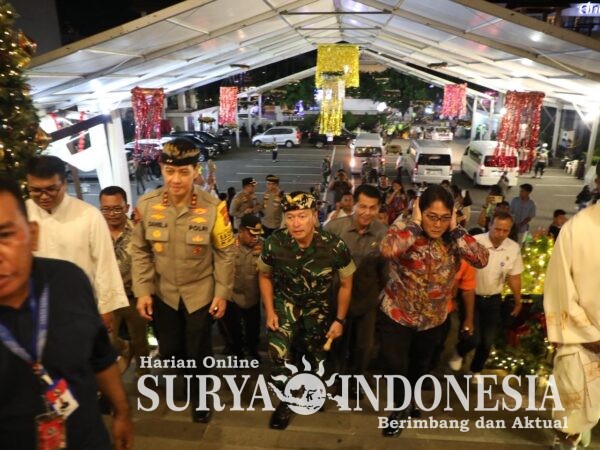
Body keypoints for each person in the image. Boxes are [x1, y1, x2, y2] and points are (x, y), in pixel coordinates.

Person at [0, 177, 134, 450]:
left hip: (88, 438)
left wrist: (122, 412)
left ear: (32, 234)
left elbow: (100, 356)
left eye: (4, 235)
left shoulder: (68, 280)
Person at [131, 138, 236, 424]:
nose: (176, 180)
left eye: (183, 172)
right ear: (162, 170)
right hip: (163, 293)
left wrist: (222, 293)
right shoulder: (147, 205)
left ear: (195, 171)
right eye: (170, 172)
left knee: (199, 350)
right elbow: (140, 250)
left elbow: (226, 253)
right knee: (171, 350)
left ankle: (200, 397)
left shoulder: (213, 207)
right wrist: (143, 291)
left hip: (199, 293)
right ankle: (185, 378)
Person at [378, 185, 488, 437]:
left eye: (444, 217)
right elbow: (387, 249)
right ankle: (400, 405)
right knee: (394, 364)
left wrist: (456, 228)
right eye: (432, 216)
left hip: (432, 319)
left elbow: (481, 259)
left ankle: (408, 401)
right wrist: (416, 224)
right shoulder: (405, 225)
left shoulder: (455, 236)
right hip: (397, 313)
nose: (437, 224)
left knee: (420, 365)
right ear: (420, 210)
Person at [258, 192, 356, 430]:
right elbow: (264, 275)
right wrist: (270, 311)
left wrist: (339, 320)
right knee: (278, 353)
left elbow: (346, 284)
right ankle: (287, 401)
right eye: (290, 217)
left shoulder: (334, 246)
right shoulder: (274, 243)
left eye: (302, 216)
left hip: (318, 308)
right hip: (285, 303)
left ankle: (314, 390)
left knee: (316, 356)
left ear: (314, 216)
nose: (296, 223)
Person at [25, 156, 128, 331]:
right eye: (35, 190)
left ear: (64, 184)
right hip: (34, 307)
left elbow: (104, 264)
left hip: (80, 306)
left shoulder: (89, 215)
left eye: (51, 189)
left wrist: (106, 308)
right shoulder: (22, 213)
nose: (43, 196)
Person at [544, 176, 600, 449]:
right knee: (570, 413)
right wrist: (591, 336)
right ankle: (569, 437)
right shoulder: (577, 229)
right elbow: (560, 288)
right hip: (583, 341)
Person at [324, 185, 387, 390]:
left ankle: (356, 381)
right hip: (336, 300)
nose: (367, 212)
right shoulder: (334, 229)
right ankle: (336, 378)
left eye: (372, 208)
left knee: (364, 347)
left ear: (378, 208)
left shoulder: (383, 234)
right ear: (354, 205)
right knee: (337, 344)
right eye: (362, 206)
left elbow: (385, 271)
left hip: (366, 301)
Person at [448, 212, 523, 379]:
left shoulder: (513, 248)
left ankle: (475, 370)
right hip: (471, 296)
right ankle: (459, 351)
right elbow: (459, 272)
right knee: (472, 337)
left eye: (505, 230)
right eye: (497, 229)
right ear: (490, 225)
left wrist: (518, 300)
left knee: (488, 340)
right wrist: (453, 296)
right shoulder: (474, 243)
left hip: (493, 298)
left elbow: (514, 276)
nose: (500, 234)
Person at [99, 186, 149, 377]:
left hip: (134, 296)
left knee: (140, 340)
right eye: (106, 209)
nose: (111, 214)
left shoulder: (138, 230)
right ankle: (124, 349)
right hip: (107, 298)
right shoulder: (96, 232)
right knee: (107, 339)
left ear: (126, 207)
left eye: (117, 208)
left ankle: (143, 375)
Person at [222, 214, 263, 361]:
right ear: (241, 231)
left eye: (257, 234)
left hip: (253, 297)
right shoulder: (228, 245)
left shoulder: (264, 246)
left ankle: (253, 350)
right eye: (251, 234)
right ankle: (238, 353)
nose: (255, 238)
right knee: (234, 329)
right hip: (233, 296)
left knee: (254, 329)